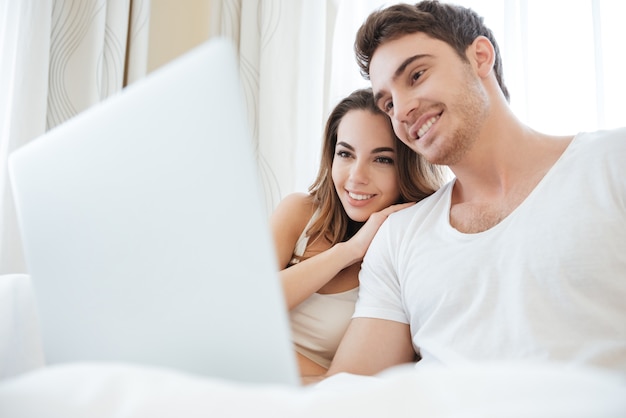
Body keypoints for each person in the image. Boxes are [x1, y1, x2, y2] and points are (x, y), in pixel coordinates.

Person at [327, 1, 626, 377]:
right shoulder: (399, 238)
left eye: (416, 75)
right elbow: (350, 391)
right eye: (387, 103)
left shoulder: (614, 162)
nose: (400, 110)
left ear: (480, 57)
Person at [270, 88, 446, 379]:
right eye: (345, 154)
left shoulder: (408, 253)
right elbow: (244, 310)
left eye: (382, 159)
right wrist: (350, 250)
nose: (356, 177)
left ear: (409, 165)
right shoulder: (299, 214)